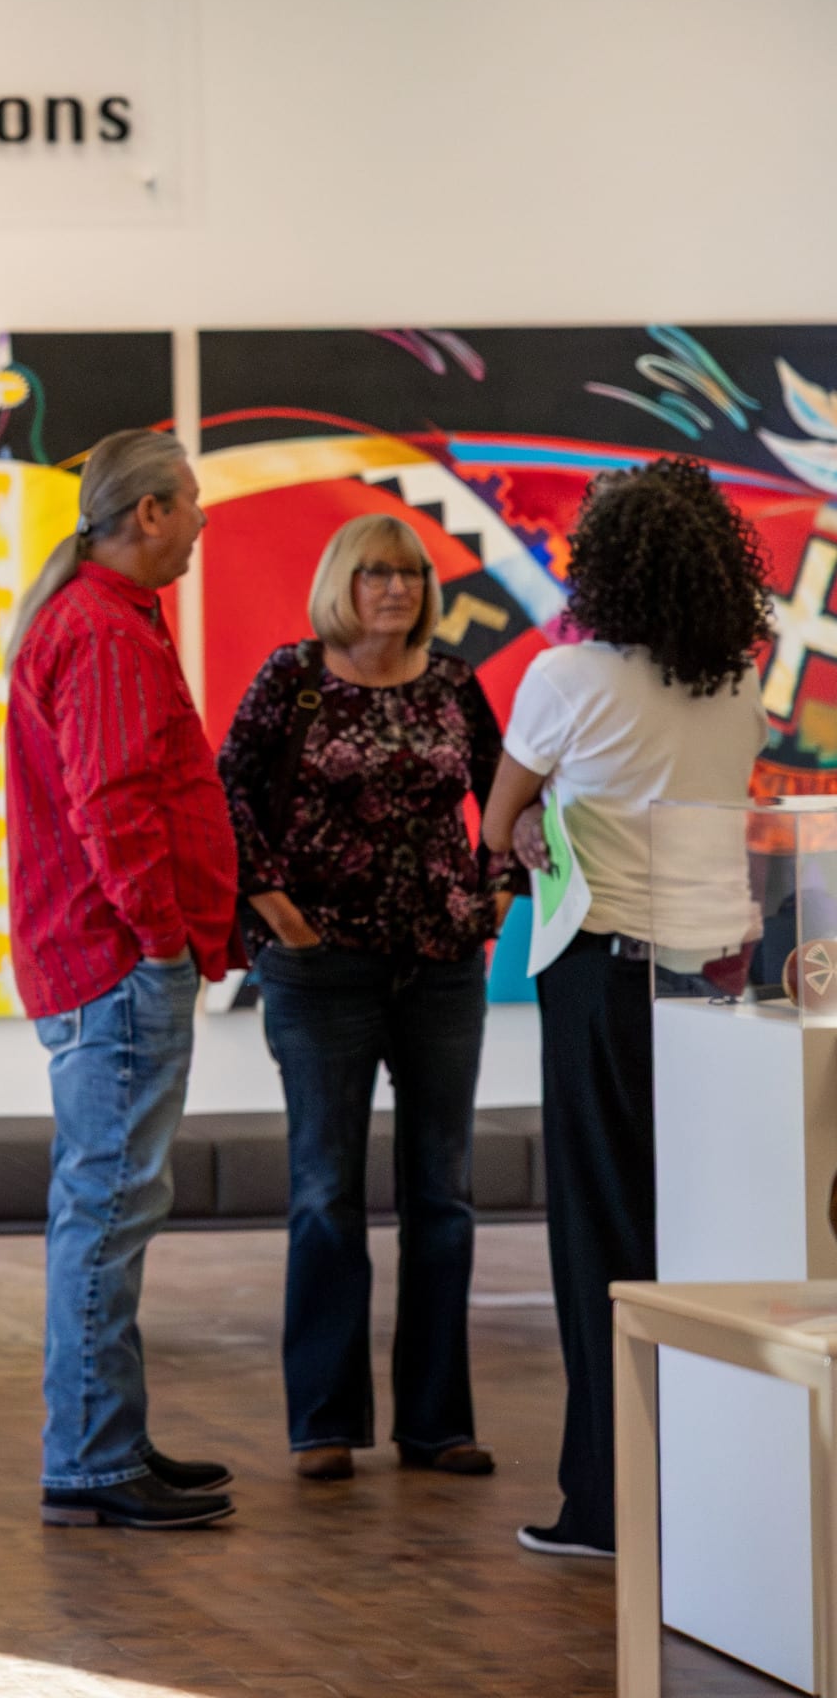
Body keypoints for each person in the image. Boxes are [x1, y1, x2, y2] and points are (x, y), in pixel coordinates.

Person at [480, 457, 771, 1561]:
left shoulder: (566, 679)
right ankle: (713, 1483)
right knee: (698, 1233)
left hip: (600, 978)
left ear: (603, 564)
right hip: (712, 979)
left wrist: (541, 828)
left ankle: (608, 1503)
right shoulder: (736, 679)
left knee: (603, 1236)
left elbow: (503, 817)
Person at [216, 514, 515, 1485]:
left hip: (440, 964)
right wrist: (279, 913)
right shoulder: (292, 678)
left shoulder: (451, 681)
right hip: (321, 969)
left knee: (444, 1197)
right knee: (325, 1196)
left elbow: (505, 792)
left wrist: (493, 892)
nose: (396, 586)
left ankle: (436, 1424)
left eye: (412, 572)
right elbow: (230, 795)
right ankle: (324, 1421)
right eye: (377, 570)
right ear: (341, 578)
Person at [4, 427, 239, 1531]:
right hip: (115, 960)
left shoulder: (104, 618)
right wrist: (159, 936)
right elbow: (113, 804)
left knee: (111, 1199)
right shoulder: (100, 629)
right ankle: (93, 1455)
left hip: (106, 958)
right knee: (107, 1204)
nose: (200, 518)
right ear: (145, 513)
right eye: (188, 501)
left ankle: (105, 1430)